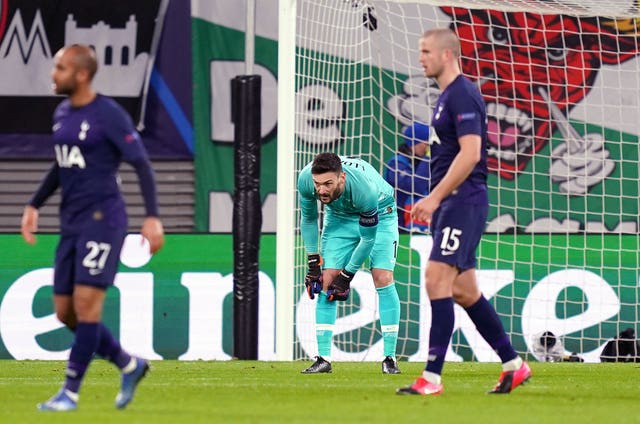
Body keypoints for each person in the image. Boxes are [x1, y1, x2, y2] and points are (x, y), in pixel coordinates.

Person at [20, 44, 165, 411]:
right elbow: (61, 166)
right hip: (71, 223)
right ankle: (129, 364)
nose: (53, 74)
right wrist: (34, 204)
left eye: (60, 68)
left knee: (87, 307)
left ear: (81, 74)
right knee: (65, 312)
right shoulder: (63, 112)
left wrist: (152, 217)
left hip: (104, 221)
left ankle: (69, 392)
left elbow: (142, 165)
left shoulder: (108, 115)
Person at [396, 28, 531, 396]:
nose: (420, 57)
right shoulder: (446, 97)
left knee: (436, 278)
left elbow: (471, 154)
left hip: (462, 201)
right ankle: (513, 365)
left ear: (446, 54)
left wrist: (435, 197)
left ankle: (431, 378)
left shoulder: (462, 94)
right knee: (464, 290)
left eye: (426, 51)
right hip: (452, 202)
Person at [298, 152, 401, 374]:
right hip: (339, 218)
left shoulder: (366, 190)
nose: (322, 190)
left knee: (382, 277)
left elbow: (368, 239)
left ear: (342, 178)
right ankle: (323, 358)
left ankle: (389, 358)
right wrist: (313, 263)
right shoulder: (306, 180)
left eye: (328, 184)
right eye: (318, 184)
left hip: (381, 215)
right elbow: (307, 219)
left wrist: (347, 276)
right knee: (327, 281)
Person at [384, 121, 431, 232]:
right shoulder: (396, 164)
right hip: (397, 226)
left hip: (424, 222)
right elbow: (416, 187)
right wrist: (428, 158)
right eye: (427, 144)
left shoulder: (423, 163)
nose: (428, 148)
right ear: (416, 143)